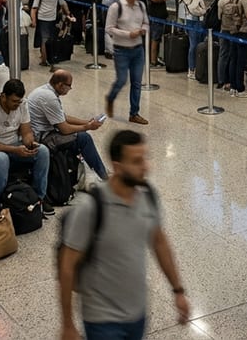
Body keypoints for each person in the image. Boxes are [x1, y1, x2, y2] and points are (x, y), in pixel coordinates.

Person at [57, 130, 190, 340]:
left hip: (137, 314)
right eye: (137, 161)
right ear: (118, 167)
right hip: (102, 320)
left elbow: (160, 243)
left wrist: (178, 291)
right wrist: (67, 324)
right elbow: (67, 266)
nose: (146, 166)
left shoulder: (148, 196)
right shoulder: (91, 208)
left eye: (145, 158)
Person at [0, 78, 53, 215]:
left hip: (13, 145)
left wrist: (29, 143)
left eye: (19, 101)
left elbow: (26, 131)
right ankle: (0, 205)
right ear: (3, 96)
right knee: (1, 159)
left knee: (42, 151)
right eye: (14, 101)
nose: (17, 105)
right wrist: (15, 150)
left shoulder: (22, 104)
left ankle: (39, 199)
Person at [27, 70, 109, 182]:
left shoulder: (45, 91)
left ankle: (97, 169)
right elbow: (64, 129)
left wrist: (86, 122)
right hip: (43, 137)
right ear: (60, 84)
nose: (70, 89)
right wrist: (88, 127)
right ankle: (103, 175)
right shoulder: (49, 97)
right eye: (69, 86)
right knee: (84, 138)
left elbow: (62, 117)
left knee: (80, 135)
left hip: (44, 132)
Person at [104, 0, 149, 125]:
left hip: (138, 50)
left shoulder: (141, 6)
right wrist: (128, 34)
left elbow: (146, 23)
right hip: (121, 50)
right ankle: (110, 98)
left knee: (137, 83)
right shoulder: (116, 7)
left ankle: (134, 113)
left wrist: (143, 30)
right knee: (122, 80)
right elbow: (109, 28)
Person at [33, 0, 72, 69]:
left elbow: (62, 3)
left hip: (53, 18)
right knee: (45, 40)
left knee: (52, 40)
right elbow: (34, 8)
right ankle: (46, 60)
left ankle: (48, 58)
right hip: (43, 19)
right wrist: (34, 20)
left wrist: (68, 13)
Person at [142, 0, 171, 69]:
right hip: (155, 13)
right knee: (155, 37)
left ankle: (154, 58)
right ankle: (153, 60)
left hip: (160, 12)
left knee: (156, 37)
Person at [181, 0, 208, 80]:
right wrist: (204, 11)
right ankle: (193, 69)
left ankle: (191, 68)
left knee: (192, 45)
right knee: (195, 46)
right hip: (196, 20)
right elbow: (194, 8)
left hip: (188, 20)